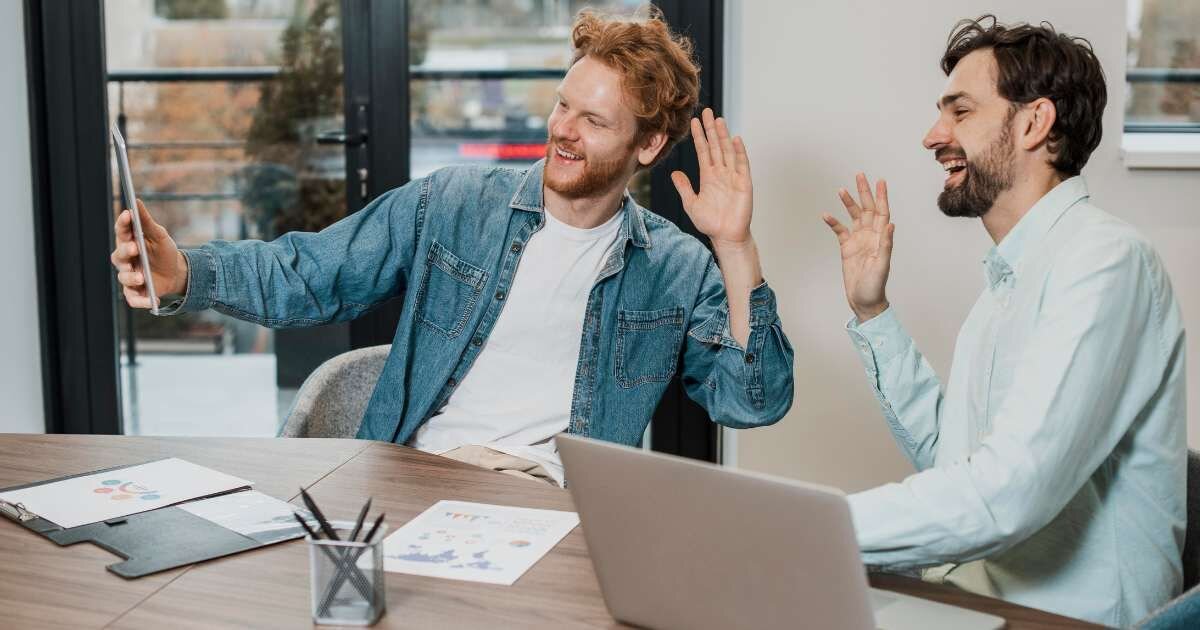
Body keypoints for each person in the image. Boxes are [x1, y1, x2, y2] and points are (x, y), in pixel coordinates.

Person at [111, 9, 794, 486]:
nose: (563, 130)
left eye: (593, 120)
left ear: (646, 145)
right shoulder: (455, 203)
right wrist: (188, 274)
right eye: (563, 105)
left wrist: (735, 247)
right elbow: (311, 273)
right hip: (411, 474)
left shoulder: (674, 270)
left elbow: (752, 402)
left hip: (550, 501)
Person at [822, 15, 1186, 626]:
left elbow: (1005, 494)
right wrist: (871, 311)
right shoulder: (1007, 282)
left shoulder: (1105, 263)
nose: (933, 135)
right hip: (980, 599)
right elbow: (955, 461)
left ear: (1034, 123)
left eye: (960, 112)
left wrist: (814, 528)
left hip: (1071, 618)